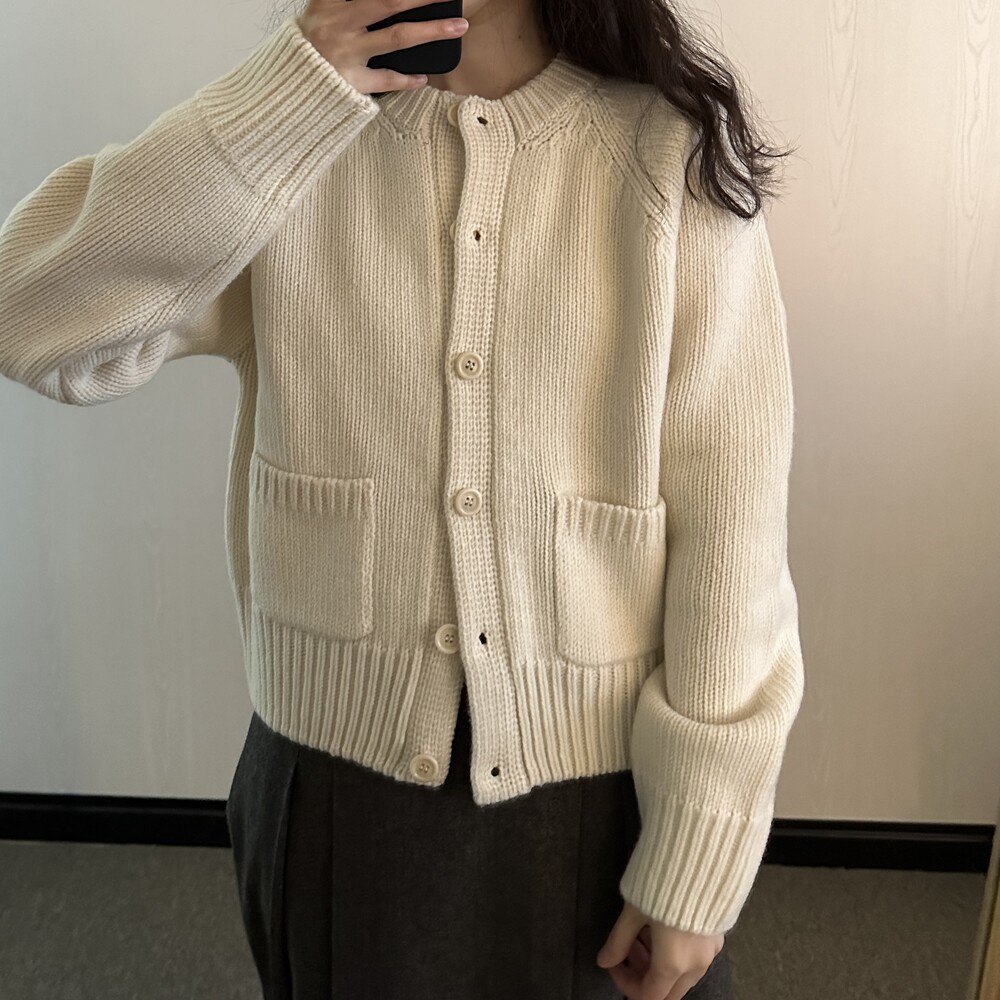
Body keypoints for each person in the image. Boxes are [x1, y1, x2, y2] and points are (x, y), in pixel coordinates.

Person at [0, 0, 804, 997]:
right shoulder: (294, 136)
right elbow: (28, 313)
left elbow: (733, 531)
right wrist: (289, 96)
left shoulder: (660, 152)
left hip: (605, 791)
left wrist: (700, 844)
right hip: (341, 793)